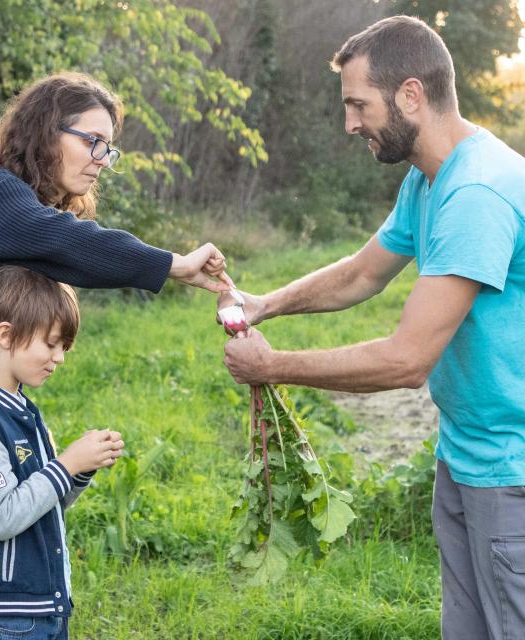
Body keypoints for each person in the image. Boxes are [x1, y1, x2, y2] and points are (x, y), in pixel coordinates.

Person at [0, 71, 231, 639]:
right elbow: (72, 243)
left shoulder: (16, 217)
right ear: (46, 133)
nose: (101, 158)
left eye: (108, 148)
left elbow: (67, 249)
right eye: (90, 140)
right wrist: (173, 264)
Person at [222, 15, 525, 640]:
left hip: (511, 469)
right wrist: (263, 305)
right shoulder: (430, 179)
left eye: (359, 104)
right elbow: (362, 275)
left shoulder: (477, 192)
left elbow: (406, 359)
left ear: (410, 94)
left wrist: (273, 366)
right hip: (465, 453)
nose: (350, 122)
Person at [0, 265, 122, 640]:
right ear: (5, 334)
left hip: (39, 607)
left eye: (63, 347)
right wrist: (66, 464)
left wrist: (79, 471)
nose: (60, 358)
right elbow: (4, 515)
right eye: (51, 344)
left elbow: (38, 504)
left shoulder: (22, 411)